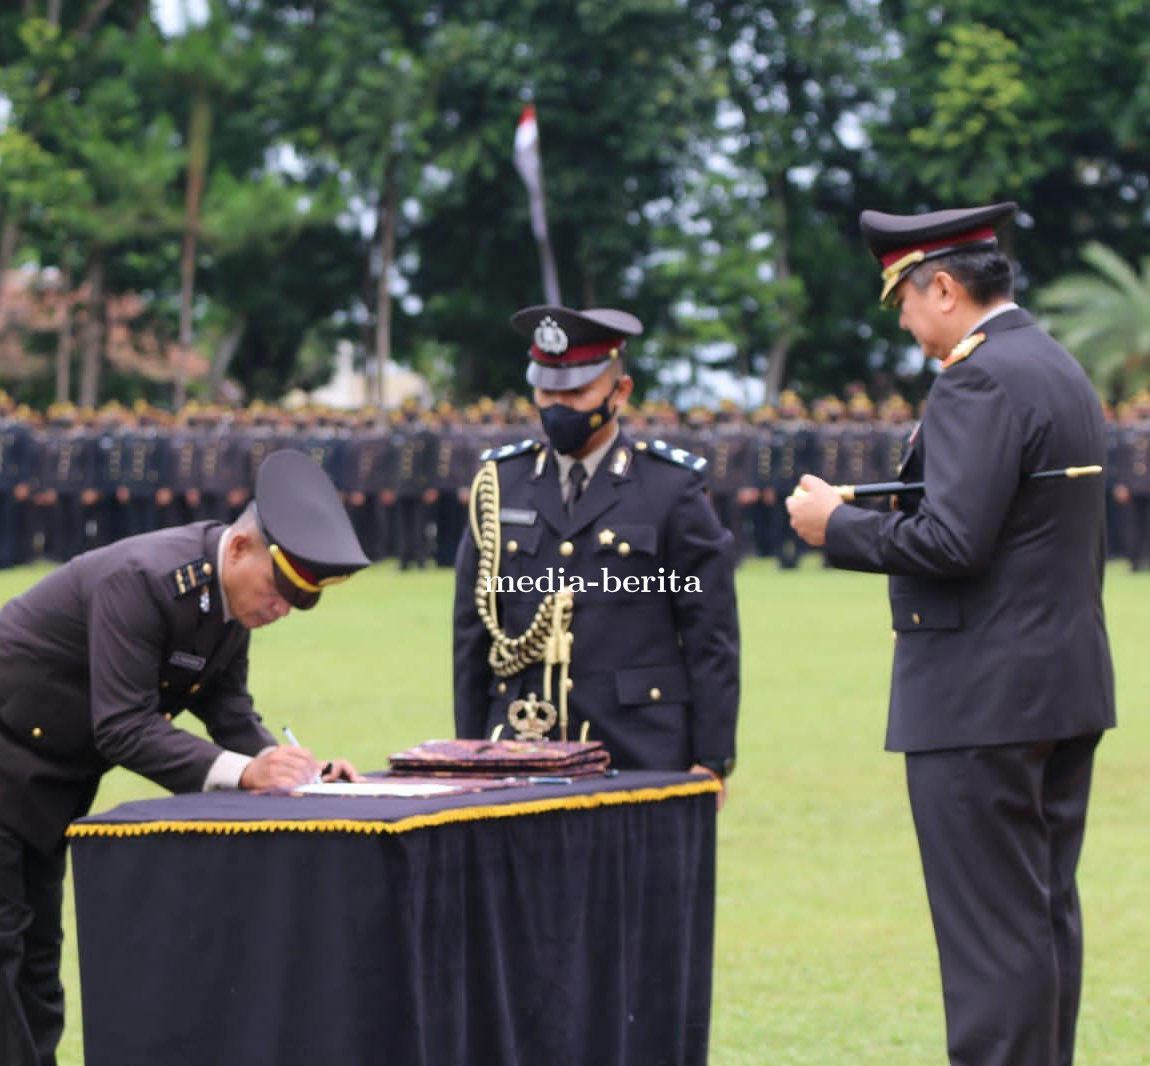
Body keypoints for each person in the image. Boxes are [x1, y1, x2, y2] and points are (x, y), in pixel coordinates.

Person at [0, 448, 370, 1066]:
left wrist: (300, 774)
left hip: (43, 768)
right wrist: (246, 772)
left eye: (300, 601)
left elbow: (229, 711)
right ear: (238, 550)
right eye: (280, 588)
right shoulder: (146, 579)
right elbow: (122, 728)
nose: (283, 607)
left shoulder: (230, 608)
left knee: (38, 953)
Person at [785, 202, 1115, 1066]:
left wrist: (833, 526)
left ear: (942, 286)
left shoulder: (978, 377)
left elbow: (951, 542)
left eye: (901, 298)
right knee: (1038, 921)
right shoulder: (1051, 366)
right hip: (1056, 683)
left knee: (990, 942)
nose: (900, 318)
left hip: (981, 699)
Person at [453, 304, 741, 798]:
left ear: (619, 392)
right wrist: (470, 750)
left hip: (640, 747)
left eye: (577, 392)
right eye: (548, 391)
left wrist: (711, 759)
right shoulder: (500, 484)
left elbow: (709, 632)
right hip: (521, 744)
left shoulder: (670, 488)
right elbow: (472, 633)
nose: (559, 406)